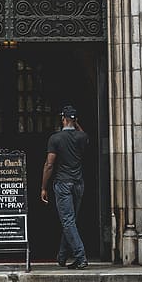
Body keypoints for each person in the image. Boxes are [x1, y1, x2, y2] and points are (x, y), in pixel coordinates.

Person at [41, 104, 88, 268]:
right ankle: (61, 256)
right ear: (75, 121)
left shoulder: (56, 139)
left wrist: (43, 187)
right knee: (70, 220)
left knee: (68, 221)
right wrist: (76, 123)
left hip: (63, 183)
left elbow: (49, 164)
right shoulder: (82, 137)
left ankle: (80, 256)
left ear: (63, 119)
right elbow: (82, 134)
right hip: (78, 183)